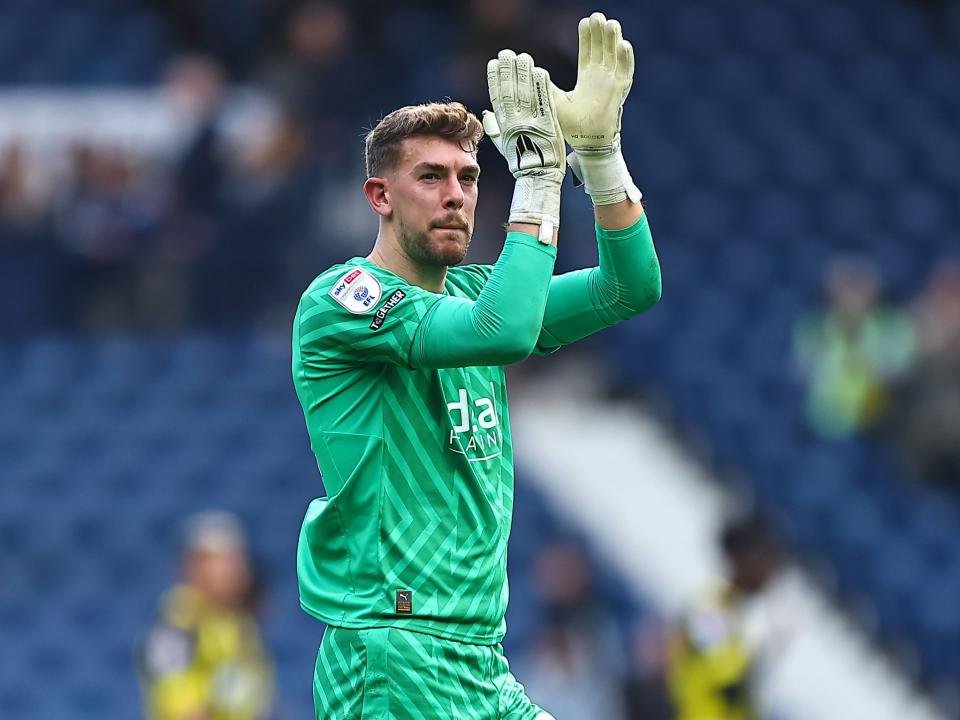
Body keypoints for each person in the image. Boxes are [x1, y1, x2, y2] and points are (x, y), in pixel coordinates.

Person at [291, 13, 661, 719]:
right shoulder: (343, 301)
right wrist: (541, 179)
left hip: (477, 659)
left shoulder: (471, 293)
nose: (456, 193)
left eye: (467, 175)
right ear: (380, 196)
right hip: (397, 651)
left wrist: (599, 157)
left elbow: (631, 287)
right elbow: (505, 330)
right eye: (430, 176)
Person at [137, 511, 274, 720]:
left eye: (236, 559)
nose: (232, 569)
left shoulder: (240, 623)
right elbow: (182, 710)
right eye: (220, 560)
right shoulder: (179, 625)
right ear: (193, 565)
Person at [667, 514, 780, 720]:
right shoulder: (710, 607)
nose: (770, 567)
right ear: (738, 559)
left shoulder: (741, 610)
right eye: (763, 556)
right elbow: (726, 678)